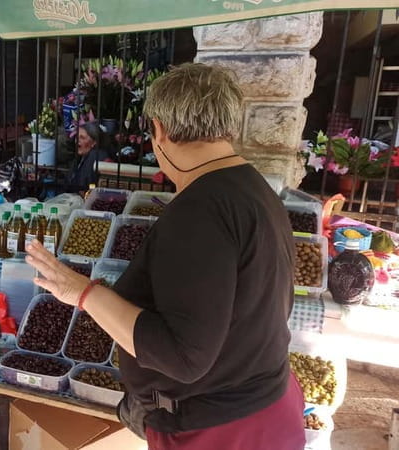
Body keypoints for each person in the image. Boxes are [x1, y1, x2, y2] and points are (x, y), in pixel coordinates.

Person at [24, 63, 304, 450]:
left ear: (159, 130)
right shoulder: (255, 189)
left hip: (220, 431)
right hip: (260, 407)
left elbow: (183, 356)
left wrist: (84, 293)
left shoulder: (201, 210)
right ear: (229, 127)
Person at [66, 121, 111, 192]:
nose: (77, 141)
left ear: (94, 142)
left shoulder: (97, 156)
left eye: (82, 138)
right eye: (76, 137)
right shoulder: (80, 158)